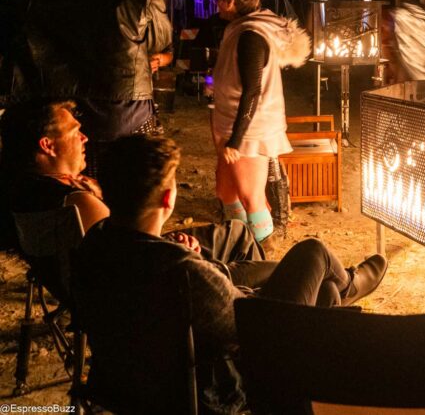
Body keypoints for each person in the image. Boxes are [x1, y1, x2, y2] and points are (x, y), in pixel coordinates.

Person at [74, 135, 388, 413]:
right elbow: (246, 323)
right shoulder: (182, 272)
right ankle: (349, 286)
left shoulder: (96, 245)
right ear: (168, 199)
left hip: (128, 382)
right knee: (313, 253)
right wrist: (216, 273)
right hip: (207, 386)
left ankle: (338, 296)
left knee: (322, 295)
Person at [0, 99, 267, 288]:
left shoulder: (27, 189)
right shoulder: (76, 203)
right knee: (261, 259)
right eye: (75, 132)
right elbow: (132, 260)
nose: (84, 138)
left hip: (106, 281)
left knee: (236, 231)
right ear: (47, 145)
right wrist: (177, 245)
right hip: (155, 286)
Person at [20, 0, 173, 178]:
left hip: (71, 109)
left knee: (81, 187)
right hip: (126, 111)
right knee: (129, 190)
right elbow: (158, 39)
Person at [211, 0, 310, 242]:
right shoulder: (242, 28)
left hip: (250, 130)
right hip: (231, 120)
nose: (216, 3)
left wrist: (236, 140)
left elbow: (253, 90)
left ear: (231, 1)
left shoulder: (251, 35)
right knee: (226, 192)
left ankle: (263, 252)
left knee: (250, 195)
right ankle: (239, 244)